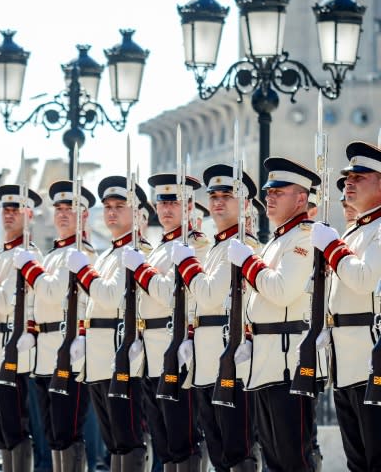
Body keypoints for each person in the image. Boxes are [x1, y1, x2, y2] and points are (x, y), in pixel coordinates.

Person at [227, 157, 324, 472]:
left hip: (288, 365)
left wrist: (248, 263)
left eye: (279, 191)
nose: (269, 196)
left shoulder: (304, 238)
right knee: (273, 458)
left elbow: (283, 289)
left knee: (293, 457)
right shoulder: (277, 241)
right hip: (266, 362)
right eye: (269, 191)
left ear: (300, 198)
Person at [171, 164, 260, 471]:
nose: (218, 202)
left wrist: (186, 264)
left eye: (228, 195)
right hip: (206, 360)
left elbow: (208, 295)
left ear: (245, 203)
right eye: (214, 196)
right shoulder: (216, 248)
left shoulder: (244, 246)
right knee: (218, 450)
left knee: (239, 450)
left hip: (230, 359)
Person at [120, 173, 208, 470]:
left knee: (181, 438)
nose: (167, 208)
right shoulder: (159, 248)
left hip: (174, 350)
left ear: (190, 205)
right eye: (162, 201)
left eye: (174, 202)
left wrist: (142, 271)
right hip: (149, 352)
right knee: (162, 441)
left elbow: (171, 293)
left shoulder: (195, 245)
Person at [65, 176, 151, 471]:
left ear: (137, 213)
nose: (112, 212)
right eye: (108, 207)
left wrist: (84, 272)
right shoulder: (109, 254)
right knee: (112, 439)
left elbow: (110, 296)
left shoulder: (137, 252)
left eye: (119, 206)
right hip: (98, 358)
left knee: (127, 437)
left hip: (120, 356)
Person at [13, 180, 97, 471]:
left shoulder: (81, 253)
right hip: (45, 353)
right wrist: (32, 330)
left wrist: (28, 267)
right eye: (58, 208)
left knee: (67, 429)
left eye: (70, 209)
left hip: (67, 348)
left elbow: (52, 291)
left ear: (84, 215)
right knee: (50, 432)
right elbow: (37, 302)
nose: (62, 214)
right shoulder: (51, 255)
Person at [310, 142, 381, 471]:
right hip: (345, 362)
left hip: (370, 361)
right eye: (348, 176)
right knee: (357, 461)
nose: (349, 182)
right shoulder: (356, 233)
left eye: (360, 176)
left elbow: (365, 279)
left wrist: (333, 249)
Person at [0, 184, 43, 471]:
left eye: (15, 210)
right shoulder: (2, 255)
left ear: (29, 214)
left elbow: (7, 304)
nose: (8, 216)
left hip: (12, 346)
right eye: (5, 210)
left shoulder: (27, 255)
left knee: (14, 424)